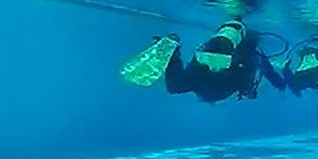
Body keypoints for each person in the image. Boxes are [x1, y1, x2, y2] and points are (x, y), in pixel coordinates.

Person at [121, 21, 288, 103]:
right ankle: (174, 48)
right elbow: (260, 75)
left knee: (245, 59)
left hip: (224, 66)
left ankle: (174, 48)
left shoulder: (200, 83)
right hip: (215, 67)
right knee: (175, 87)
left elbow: (250, 80)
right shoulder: (192, 84)